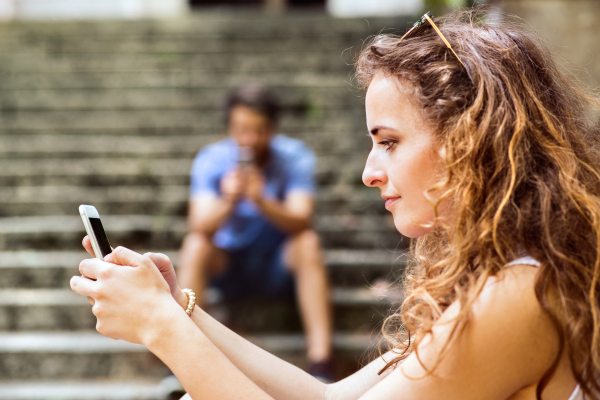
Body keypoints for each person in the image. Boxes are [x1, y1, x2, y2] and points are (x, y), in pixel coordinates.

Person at [70, 8, 600, 399]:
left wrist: (162, 328)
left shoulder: (522, 290)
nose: (369, 172)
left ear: (470, 141)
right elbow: (326, 397)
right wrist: (179, 309)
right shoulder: (497, 278)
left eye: (389, 141)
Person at [176, 83, 335, 380]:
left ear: (273, 129)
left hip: (277, 265)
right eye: (240, 129)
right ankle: (182, 358)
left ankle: (321, 361)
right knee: (196, 245)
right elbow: (199, 225)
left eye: (258, 130)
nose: (248, 138)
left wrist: (262, 199)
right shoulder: (211, 159)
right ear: (229, 128)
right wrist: (229, 200)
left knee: (308, 243)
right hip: (229, 266)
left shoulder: (294, 156)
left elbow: (302, 219)